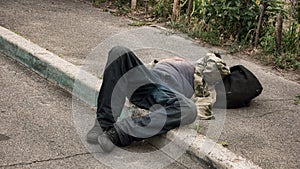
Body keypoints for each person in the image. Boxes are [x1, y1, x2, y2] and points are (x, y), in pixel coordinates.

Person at [86, 46, 230, 152]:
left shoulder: (205, 78)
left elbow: (215, 74)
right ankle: (102, 124)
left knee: (190, 109)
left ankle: (118, 133)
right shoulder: (183, 61)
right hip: (147, 78)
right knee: (119, 51)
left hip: (166, 91)